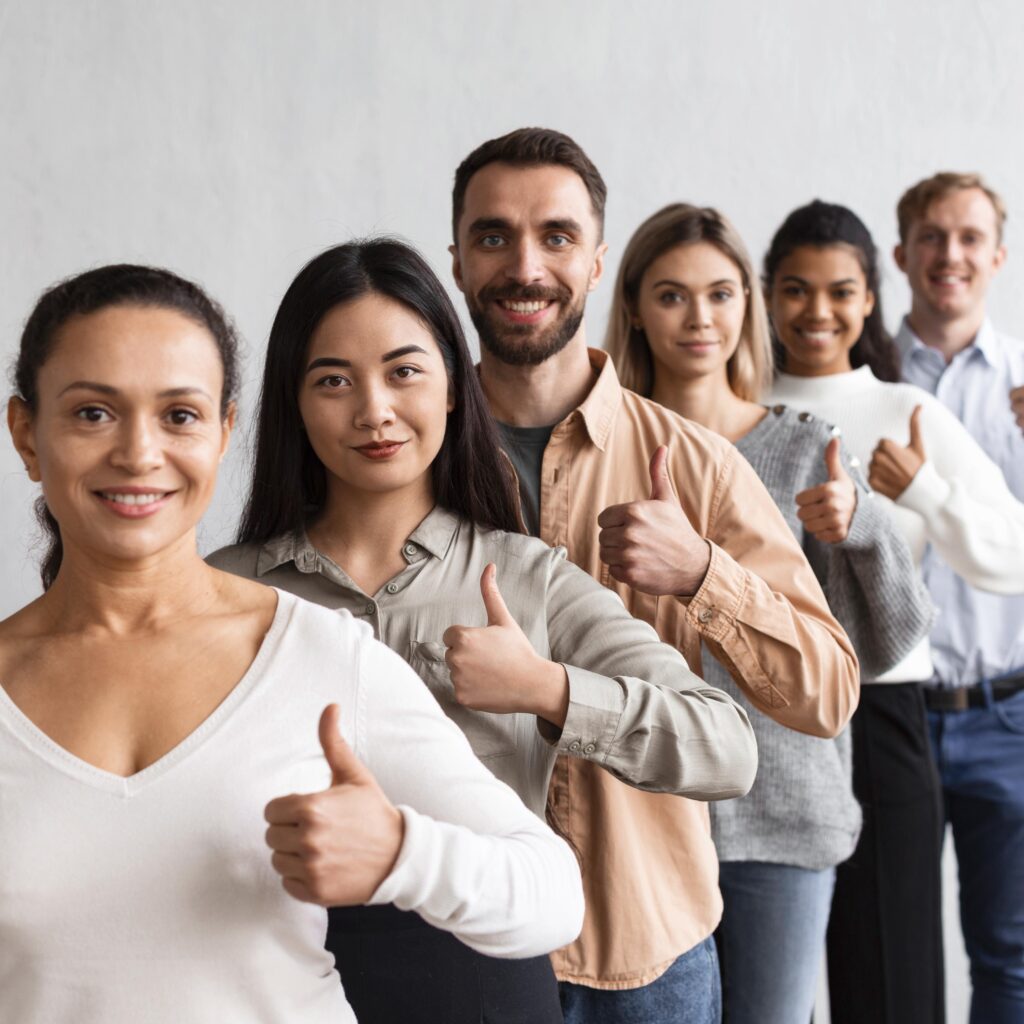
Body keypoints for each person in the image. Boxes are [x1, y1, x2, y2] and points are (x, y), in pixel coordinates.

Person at [0, 263, 585, 1024]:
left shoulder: (319, 657)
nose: (139, 454)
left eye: (179, 415)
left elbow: (551, 895)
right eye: (92, 414)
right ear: (27, 434)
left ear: (223, 433)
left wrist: (402, 854)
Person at [209, 237, 758, 1024]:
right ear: (292, 400)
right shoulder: (225, 587)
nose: (374, 411)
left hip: (483, 984)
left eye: (404, 372)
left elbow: (728, 746)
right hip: (265, 979)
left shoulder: (529, 577)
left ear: (456, 390)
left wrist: (548, 689)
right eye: (334, 380)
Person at [448, 126, 860, 1024]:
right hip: (463, 938)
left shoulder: (697, 464)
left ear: (597, 262)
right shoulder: (404, 451)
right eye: (493, 237)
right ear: (456, 260)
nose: (525, 266)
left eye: (555, 237)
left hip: (649, 945)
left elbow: (826, 693)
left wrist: (705, 573)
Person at [604, 201, 934, 1024]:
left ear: (746, 305)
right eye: (672, 295)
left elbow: (880, 647)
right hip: (634, 815)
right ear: (637, 309)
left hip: (781, 819)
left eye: (720, 293)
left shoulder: (801, 445)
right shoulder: (597, 446)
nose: (699, 317)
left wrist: (862, 528)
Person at [764, 200, 1024, 1024]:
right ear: (768, 296)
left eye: (840, 291)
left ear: (870, 299)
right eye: (797, 290)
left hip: (881, 713)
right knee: (766, 985)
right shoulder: (731, 403)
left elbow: (1013, 557)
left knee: (896, 984)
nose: (817, 311)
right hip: (761, 718)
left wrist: (924, 493)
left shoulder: (908, 412)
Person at [892, 172, 1024, 1024]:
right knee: (886, 949)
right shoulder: (858, 376)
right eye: (933, 237)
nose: (951, 255)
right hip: (887, 716)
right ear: (901, 254)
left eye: (970, 238)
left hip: (1008, 716)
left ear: (998, 255)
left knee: (1011, 961)